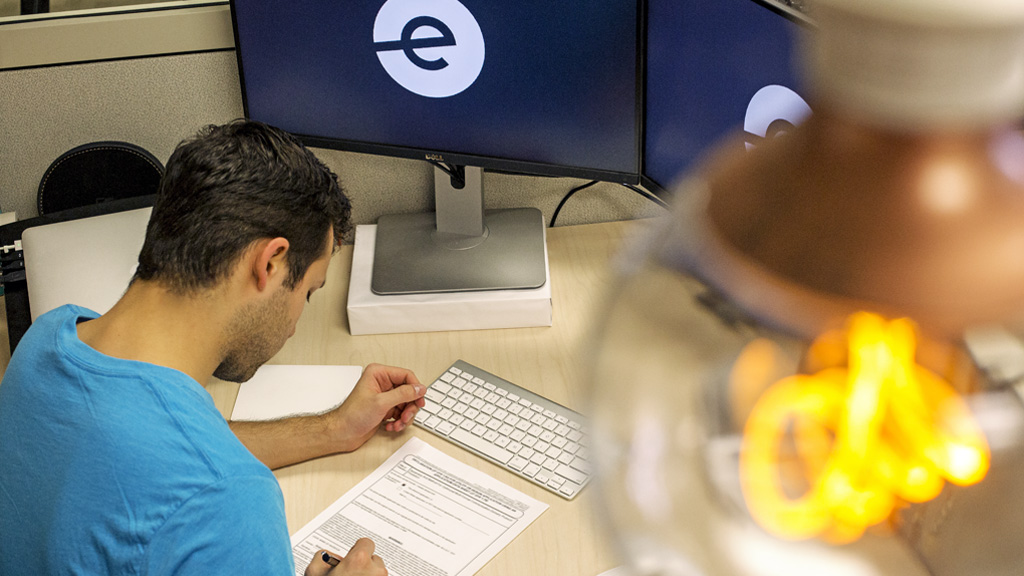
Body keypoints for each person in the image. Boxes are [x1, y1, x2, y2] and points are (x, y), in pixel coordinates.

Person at [0, 120, 425, 575]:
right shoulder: (229, 503)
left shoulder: (49, 340)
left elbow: (160, 462)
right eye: (308, 292)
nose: (297, 321)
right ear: (269, 263)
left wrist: (334, 428)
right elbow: (196, 477)